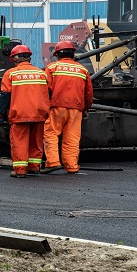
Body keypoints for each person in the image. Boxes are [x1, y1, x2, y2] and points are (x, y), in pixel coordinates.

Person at [0, 45, 50, 178]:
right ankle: (34, 167)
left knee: (20, 141)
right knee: (36, 142)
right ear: (29, 58)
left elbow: (5, 95)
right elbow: (49, 92)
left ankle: (20, 170)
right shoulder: (41, 73)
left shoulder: (10, 74)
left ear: (14, 58)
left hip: (20, 113)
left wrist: (1, 114)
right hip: (39, 113)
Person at [42, 41, 93, 174]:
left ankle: (53, 163)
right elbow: (88, 93)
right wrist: (86, 108)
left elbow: (45, 89)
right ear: (73, 54)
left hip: (55, 107)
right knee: (72, 138)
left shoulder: (52, 68)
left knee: (51, 134)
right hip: (76, 109)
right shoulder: (82, 69)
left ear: (57, 54)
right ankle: (71, 166)